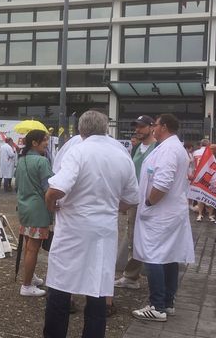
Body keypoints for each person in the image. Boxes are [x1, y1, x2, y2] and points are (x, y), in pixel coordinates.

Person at [43, 111, 139, 338]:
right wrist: (112, 208)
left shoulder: (78, 151)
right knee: (98, 289)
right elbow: (131, 198)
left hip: (74, 230)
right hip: (104, 229)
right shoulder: (121, 154)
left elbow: (57, 188)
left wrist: (49, 202)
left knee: (60, 287)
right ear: (106, 128)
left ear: (81, 130)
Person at [132, 114, 195, 322]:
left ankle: (157, 306)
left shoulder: (169, 149)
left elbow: (163, 182)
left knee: (154, 257)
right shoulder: (172, 147)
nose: (153, 128)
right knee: (169, 256)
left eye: (156, 125)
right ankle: (168, 303)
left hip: (160, 214)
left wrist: (149, 203)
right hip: (169, 213)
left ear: (164, 127)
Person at [115, 115, 157, 290]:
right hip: (136, 199)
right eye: (136, 127)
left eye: (141, 127)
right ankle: (132, 275)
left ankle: (139, 274)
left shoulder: (157, 148)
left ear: (151, 127)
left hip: (149, 200)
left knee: (145, 237)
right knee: (132, 234)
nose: (137, 130)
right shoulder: (137, 147)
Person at [15, 129, 53, 297]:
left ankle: (30, 276)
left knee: (28, 245)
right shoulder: (42, 161)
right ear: (34, 143)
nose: (47, 143)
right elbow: (48, 188)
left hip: (24, 207)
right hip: (38, 209)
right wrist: (54, 203)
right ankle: (27, 285)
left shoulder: (21, 160)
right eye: (44, 140)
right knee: (33, 249)